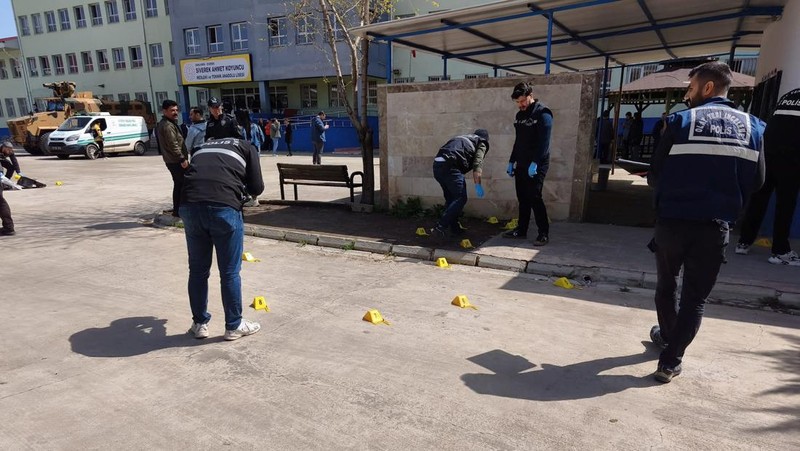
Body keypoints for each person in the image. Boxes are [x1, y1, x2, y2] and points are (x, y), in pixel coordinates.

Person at [646, 61, 765, 383]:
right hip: (715, 226)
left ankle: (669, 335)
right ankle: (670, 360)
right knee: (694, 299)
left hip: (672, 223)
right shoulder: (754, 127)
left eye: (691, 87)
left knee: (666, 285)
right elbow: (757, 181)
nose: (687, 94)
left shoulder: (680, 121)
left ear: (708, 87)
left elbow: (655, 175)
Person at [180, 137, 265, 341]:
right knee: (229, 272)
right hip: (224, 206)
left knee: (198, 271)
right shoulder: (246, 146)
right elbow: (257, 187)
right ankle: (234, 325)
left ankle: (199, 324)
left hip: (190, 205)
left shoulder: (201, 147)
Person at [735, 87, 800, 266]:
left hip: (768, 153)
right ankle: (780, 251)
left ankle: (744, 242)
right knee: (785, 204)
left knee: (759, 198)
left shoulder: (790, 94)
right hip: (792, 158)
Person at [503, 82, 553, 246]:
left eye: (523, 101)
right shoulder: (520, 116)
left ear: (531, 95)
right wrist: (512, 161)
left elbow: (544, 143)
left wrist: (536, 163)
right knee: (522, 197)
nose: (521, 104)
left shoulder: (543, 113)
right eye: (517, 102)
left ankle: (543, 233)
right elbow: (518, 141)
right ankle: (521, 230)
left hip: (537, 163)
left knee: (534, 197)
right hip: (522, 162)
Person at [430, 129, 490, 238]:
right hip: (451, 166)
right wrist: (478, 184)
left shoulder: (463, 138)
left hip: (437, 166)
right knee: (460, 198)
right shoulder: (482, 142)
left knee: (451, 199)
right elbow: (478, 163)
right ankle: (440, 227)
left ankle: (454, 228)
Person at [156, 99, 189, 217]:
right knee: (182, 185)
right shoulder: (167, 125)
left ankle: (178, 210)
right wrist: (182, 159)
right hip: (175, 161)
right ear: (164, 111)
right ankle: (179, 211)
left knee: (179, 185)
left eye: (176, 110)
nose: (175, 112)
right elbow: (173, 144)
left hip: (173, 160)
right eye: (172, 110)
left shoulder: (170, 123)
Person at [0, 142, 21, 236]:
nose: (10, 152)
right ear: (3, 148)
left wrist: (18, 172)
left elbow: (14, 160)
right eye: (8, 150)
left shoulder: (10, 151)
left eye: (10, 150)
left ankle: (9, 228)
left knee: (1, 203)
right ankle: (8, 227)